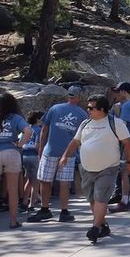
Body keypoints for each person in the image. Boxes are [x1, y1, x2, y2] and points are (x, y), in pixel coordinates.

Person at [59, 94, 130, 243]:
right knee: (92, 199)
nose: (88, 110)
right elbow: (75, 141)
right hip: (86, 168)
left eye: (91, 108)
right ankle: (103, 225)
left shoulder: (115, 123)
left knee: (100, 198)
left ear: (102, 109)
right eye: (88, 107)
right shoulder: (85, 123)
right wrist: (65, 155)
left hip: (108, 167)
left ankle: (94, 228)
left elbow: (127, 143)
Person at [26, 85, 87, 223]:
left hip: (50, 150)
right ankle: (64, 211)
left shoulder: (54, 108)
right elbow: (83, 137)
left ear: (68, 95)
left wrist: (41, 150)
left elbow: (44, 130)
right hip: (68, 153)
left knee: (45, 180)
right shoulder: (82, 114)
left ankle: (45, 209)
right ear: (79, 97)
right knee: (64, 182)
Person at [110, 82, 130, 213]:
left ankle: (124, 201)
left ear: (124, 92)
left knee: (125, 172)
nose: (118, 94)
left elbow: (122, 126)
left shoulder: (127, 105)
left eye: (119, 91)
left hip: (127, 143)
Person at [1, 92, 32, 229]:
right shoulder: (16, 118)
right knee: (12, 190)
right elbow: (28, 131)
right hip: (11, 152)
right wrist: (19, 145)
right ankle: (13, 221)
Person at [20, 110, 43, 213]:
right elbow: (38, 145)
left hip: (25, 155)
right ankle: (31, 204)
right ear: (38, 119)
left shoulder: (26, 129)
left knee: (29, 180)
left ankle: (24, 202)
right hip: (34, 156)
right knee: (35, 182)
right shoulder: (38, 130)